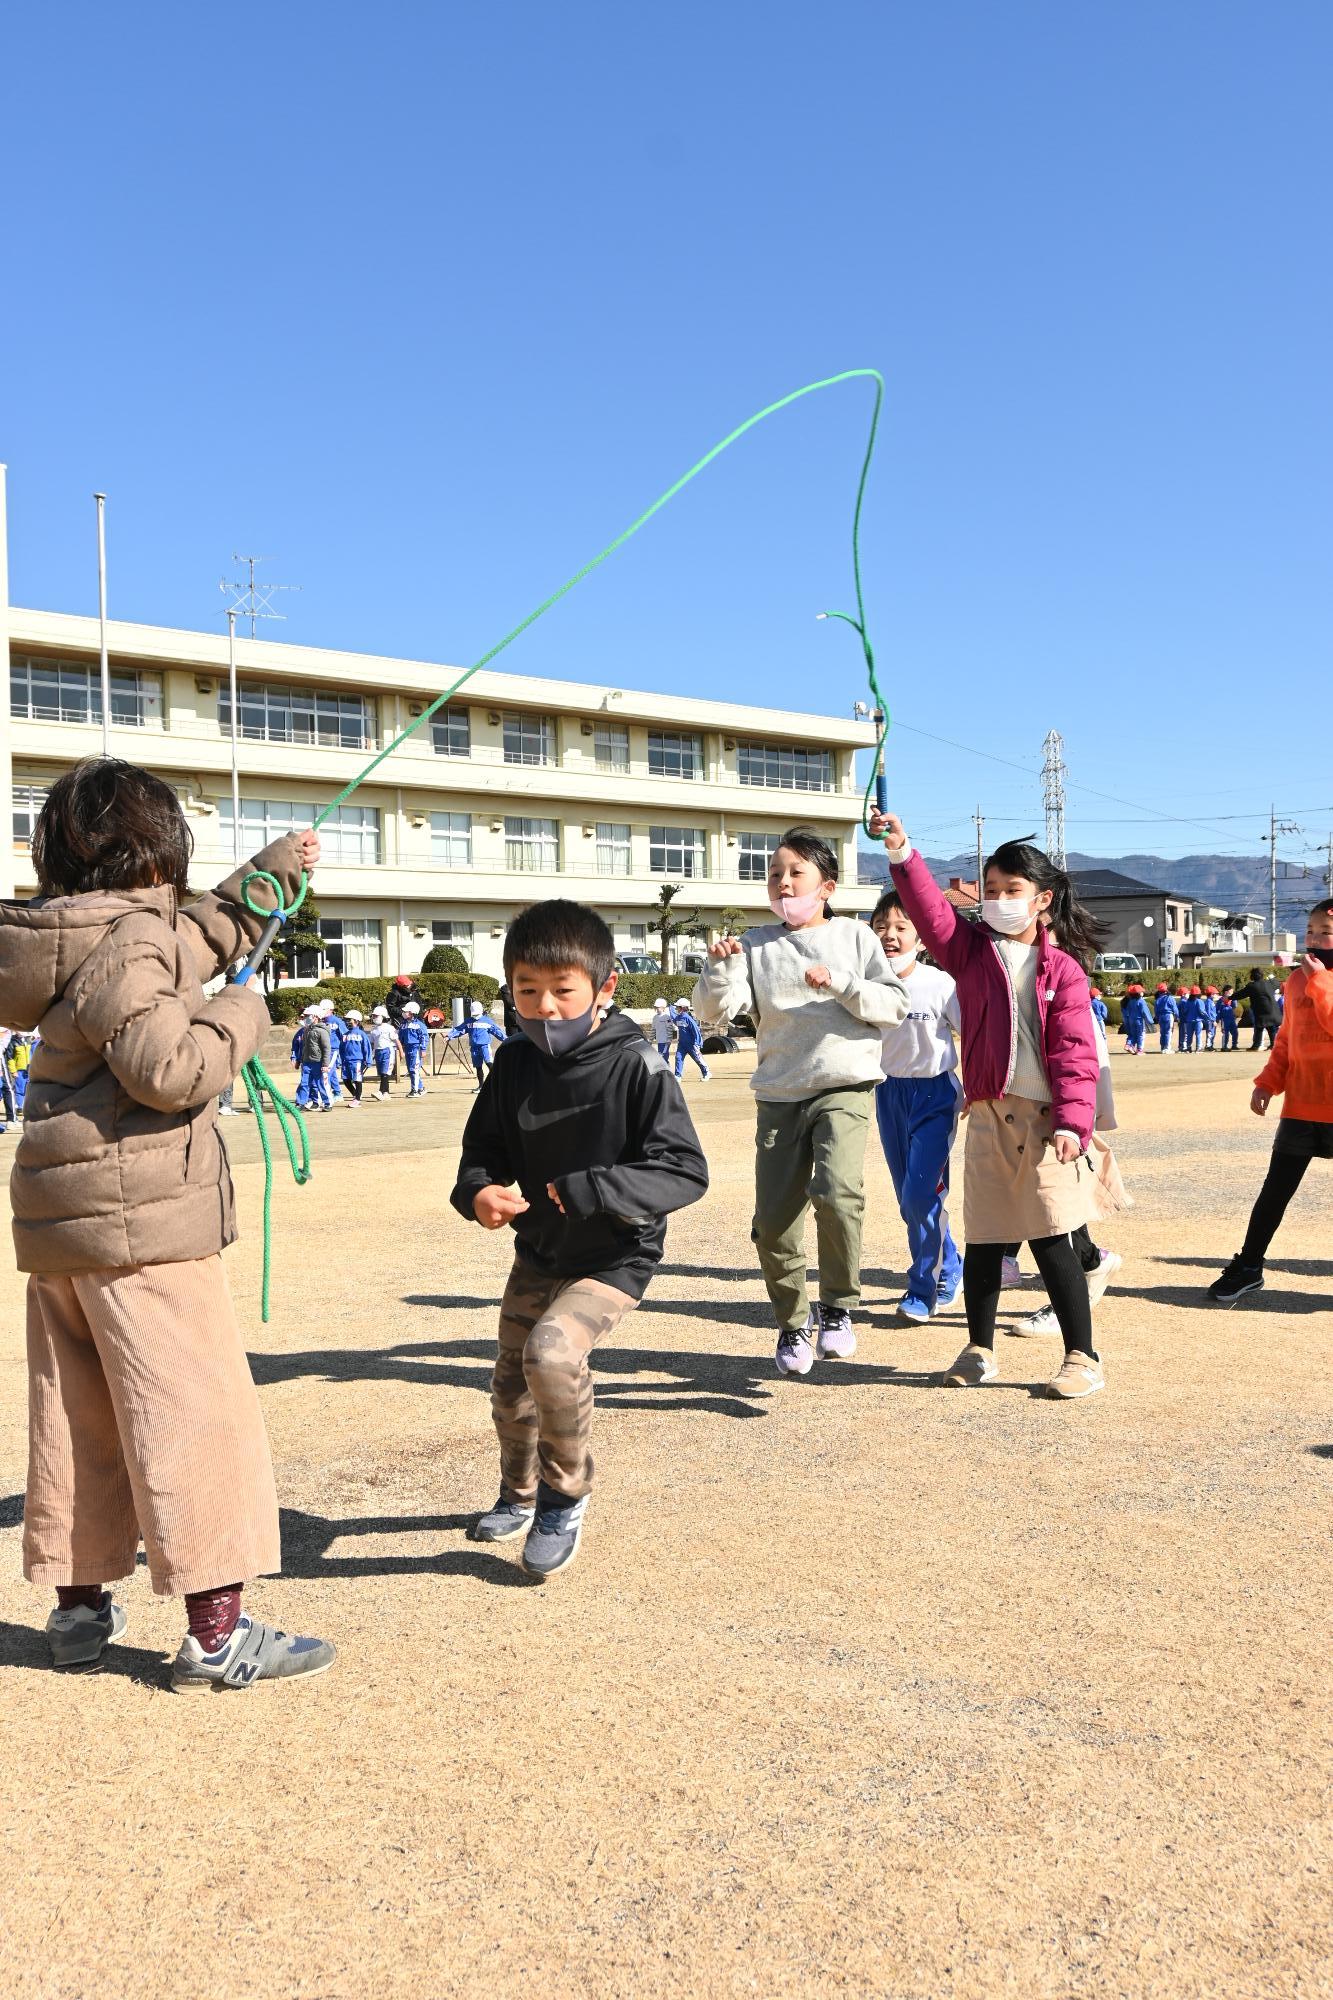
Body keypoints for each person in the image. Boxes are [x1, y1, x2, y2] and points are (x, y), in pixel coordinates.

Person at [4, 757, 333, 1688]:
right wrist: (241, 1013)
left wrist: (271, 872)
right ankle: (217, 1634)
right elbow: (171, 1068)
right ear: (155, 863)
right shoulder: (133, 944)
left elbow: (193, 934)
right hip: (141, 1224)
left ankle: (76, 1610)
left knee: (78, 1416)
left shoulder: (75, 933)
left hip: (65, 1227)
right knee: (192, 1415)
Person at [452, 900, 708, 1577]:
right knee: (509, 1387)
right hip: (538, 1252)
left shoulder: (637, 1065)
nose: (544, 1009)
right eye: (526, 992)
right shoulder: (511, 1065)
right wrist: (476, 1192)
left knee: (551, 1356)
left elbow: (683, 1171)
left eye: (562, 992)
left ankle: (564, 1495)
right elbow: (482, 1152)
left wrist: (600, 1189)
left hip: (614, 1256)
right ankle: (518, 1491)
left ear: (603, 988)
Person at [871, 808, 1129, 1399]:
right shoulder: (970, 953)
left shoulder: (1062, 970)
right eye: (990, 891)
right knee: (986, 1237)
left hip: (1045, 1123)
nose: (998, 900)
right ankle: (979, 1349)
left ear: (1042, 899)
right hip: (988, 1112)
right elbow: (933, 915)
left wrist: (1072, 1122)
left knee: (1051, 1237)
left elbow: (1074, 1054)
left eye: (1012, 890)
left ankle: (1082, 1357)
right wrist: (902, 853)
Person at [694, 827, 908, 1375]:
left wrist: (840, 983)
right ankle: (793, 1323)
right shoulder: (757, 943)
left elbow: (893, 1005)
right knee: (773, 1219)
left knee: (837, 1192)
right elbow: (718, 1013)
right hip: (780, 1093)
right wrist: (718, 971)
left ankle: (837, 1307)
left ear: (827, 886)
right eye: (774, 875)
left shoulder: (857, 939)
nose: (783, 883)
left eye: (796, 874)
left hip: (844, 1085)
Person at [1208, 901, 1333, 1304]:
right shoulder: (1297, 981)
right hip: (1301, 1105)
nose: (1314, 938)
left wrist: (1321, 983)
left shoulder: (1312, 981)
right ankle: (1248, 1266)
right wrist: (1268, 1082)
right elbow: (1287, 1041)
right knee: (1275, 1191)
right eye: (1310, 930)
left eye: (1325, 932)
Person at [867, 889, 962, 1323]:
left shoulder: (940, 984)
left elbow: (973, 1036)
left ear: (921, 937)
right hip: (889, 1094)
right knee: (910, 1199)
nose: (890, 935)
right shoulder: (865, 985)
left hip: (935, 1095)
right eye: (882, 927)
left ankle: (922, 1288)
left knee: (922, 1192)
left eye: (901, 927)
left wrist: (976, 1091)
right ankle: (952, 1264)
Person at [453, 998, 506, 1089]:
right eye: (474, 1014)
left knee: (489, 1063)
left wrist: (506, 1039)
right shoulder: (469, 1021)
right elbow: (460, 1029)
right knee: (478, 1067)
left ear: (481, 1011)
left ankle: (497, 1084)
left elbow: (497, 1031)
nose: (476, 1016)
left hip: (484, 1046)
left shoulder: (487, 1021)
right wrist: (449, 1036)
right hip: (474, 1047)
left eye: (477, 1014)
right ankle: (481, 1086)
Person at [293, 1006, 334, 1111]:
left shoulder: (322, 1031)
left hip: (318, 1062)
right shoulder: (307, 1030)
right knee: (304, 1083)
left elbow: (327, 1049)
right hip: (306, 1062)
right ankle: (301, 1103)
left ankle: (327, 1103)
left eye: (307, 1016)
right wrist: (300, 1060)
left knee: (320, 1084)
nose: (305, 1017)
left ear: (315, 1017)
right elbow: (304, 1047)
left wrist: (325, 1064)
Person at [1236, 967, 1280, 1051]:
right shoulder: (1269, 983)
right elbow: (1276, 983)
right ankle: (1273, 1045)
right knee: (1271, 1029)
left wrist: (1230, 997)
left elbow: (1241, 994)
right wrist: (1270, 975)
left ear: (1252, 976)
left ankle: (1256, 1046)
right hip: (1272, 1010)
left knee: (1259, 1028)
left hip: (1261, 1011)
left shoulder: (1252, 986)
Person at [671, 997, 710, 1081]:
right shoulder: (678, 1017)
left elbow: (696, 1030)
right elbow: (674, 1019)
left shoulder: (688, 1018)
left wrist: (698, 1042)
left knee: (698, 1059)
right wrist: (670, 1008)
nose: (676, 1008)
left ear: (682, 1008)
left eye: (678, 1007)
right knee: (678, 1058)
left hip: (692, 1044)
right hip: (682, 1044)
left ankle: (706, 1073)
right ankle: (678, 1076)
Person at [398, 999, 430, 1096]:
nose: (404, 1013)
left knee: (414, 1069)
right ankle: (420, 1088)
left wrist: (423, 1049)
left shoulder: (419, 1025)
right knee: (411, 1069)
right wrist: (401, 1048)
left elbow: (424, 1037)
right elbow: (400, 1037)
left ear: (412, 1013)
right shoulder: (403, 1024)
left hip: (416, 1049)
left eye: (406, 1011)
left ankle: (414, 1090)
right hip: (407, 1048)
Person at [340, 1008, 371, 1104]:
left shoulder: (362, 1034)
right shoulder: (345, 1035)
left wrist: (368, 1060)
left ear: (357, 1021)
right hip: (346, 1061)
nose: (348, 1022)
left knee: (357, 1080)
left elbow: (367, 1047)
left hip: (357, 1061)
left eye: (350, 1020)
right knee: (345, 1080)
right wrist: (340, 1060)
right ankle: (356, 1094)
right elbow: (341, 1048)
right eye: (347, 1020)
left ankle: (357, 1099)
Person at [368, 1005, 397, 1100]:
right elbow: (372, 1043)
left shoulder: (390, 1028)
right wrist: (370, 1054)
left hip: (387, 1051)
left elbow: (396, 1040)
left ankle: (381, 1091)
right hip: (378, 1052)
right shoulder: (374, 1029)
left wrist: (401, 1052)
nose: (374, 1018)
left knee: (385, 1072)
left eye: (376, 1016)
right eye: (373, 1016)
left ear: (383, 1016)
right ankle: (386, 1093)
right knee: (382, 1073)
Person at [1120, 983, 1150, 1055]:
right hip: (1138, 1020)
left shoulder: (1128, 1001)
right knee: (1140, 1035)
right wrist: (1150, 1020)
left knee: (1132, 1034)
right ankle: (1139, 1050)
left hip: (1130, 1019)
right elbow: (1145, 1011)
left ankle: (1129, 1045)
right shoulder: (1141, 1001)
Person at [1153, 982, 1179, 1054]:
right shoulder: (1169, 998)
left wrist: (1157, 1018)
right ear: (1166, 990)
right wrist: (1178, 1016)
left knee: (1163, 1032)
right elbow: (1175, 1009)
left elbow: (1156, 1010)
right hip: (1168, 1015)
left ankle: (1163, 1047)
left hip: (1161, 1017)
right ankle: (1167, 1048)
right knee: (1168, 1032)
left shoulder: (1157, 999)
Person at [1182, 985, 1205, 1054]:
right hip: (1198, 1021)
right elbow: (1202, 1011)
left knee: (1189, 1035)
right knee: (1198, 1034)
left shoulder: (1188, 1002)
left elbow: (1185, 1011)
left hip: (1189, 1021)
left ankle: (1189, 1048)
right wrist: (1207, 1018)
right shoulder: (1199, 1001)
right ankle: (1198, 1048)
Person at [1218, 987, 1240, 1051]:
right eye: (1231, 991)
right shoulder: (1221, 1000)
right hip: (1224, 1019)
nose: (1232, 992)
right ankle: (1224, 1046)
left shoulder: (1232, 999)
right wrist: (1218, 1019)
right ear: (1226, 992)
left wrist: (1233, 998)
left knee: (1235, 1032)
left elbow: (1235, 1006)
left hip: (1231, 1018)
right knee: (1225, 1033)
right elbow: (1218, 1010)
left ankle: (1234, 1045)